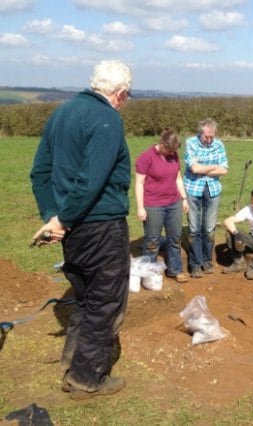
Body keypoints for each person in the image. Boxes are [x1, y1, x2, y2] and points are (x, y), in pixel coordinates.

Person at [30, 59, 133, 400]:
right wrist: (63, 218)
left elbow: (40, 173)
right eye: (127, 97)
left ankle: (72, 363)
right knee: (105, 302)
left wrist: (52, 215)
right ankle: (87, 379)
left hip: (72, 231)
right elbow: (91, 180)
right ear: (120, 94)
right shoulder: (107, 119)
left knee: (85, 297)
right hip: (100, 227)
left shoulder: (61, 113)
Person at [135, 129, 189, 283]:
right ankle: (149, 275)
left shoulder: (174, 155)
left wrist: (184, 198)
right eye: (169, 149)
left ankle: (175, 270)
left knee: (175, 238)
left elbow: (178, 179)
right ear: (162, 144)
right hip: (153, 205)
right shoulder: (146, 157)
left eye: (174, 150)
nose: (172, 153)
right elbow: (139, 183)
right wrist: (140, 207)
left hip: (174, 203)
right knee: (152, 241)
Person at [183, 118, 228, 278]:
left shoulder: (219, 145)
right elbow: (194, 169)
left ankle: (207, 260)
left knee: (209, 228)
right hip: (193, 189)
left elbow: (224, 170)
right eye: (206, 137)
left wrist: (203, 168)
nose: (209, 140)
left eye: (212, 137)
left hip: (213, 189)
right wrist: (213, 167)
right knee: (194, 228)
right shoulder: (191, 143)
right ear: (200, 133)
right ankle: (195, 263)